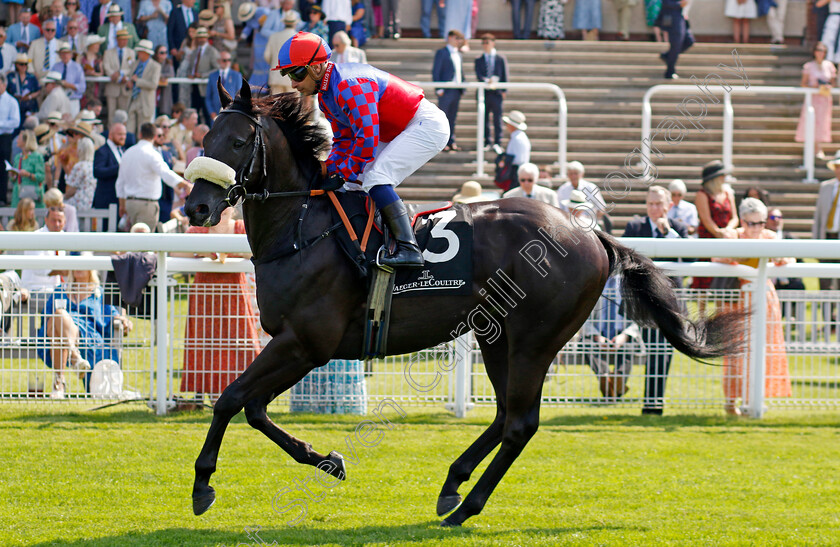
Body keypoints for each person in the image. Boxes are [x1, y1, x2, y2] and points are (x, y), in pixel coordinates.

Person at [277, 31, 449, 268]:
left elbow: (367, 140)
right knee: (351, 182)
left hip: (425, 125)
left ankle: (409, 249)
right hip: (395, 130)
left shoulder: (348, 85)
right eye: (288, 74)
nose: (293, 83)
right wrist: (329, 169)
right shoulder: (326, 95)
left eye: (296, 73)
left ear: (316, 68)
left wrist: (343, 171)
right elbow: (344, 139)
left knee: (376, 177)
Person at [713, 197, 792, 415]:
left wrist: (780, 257)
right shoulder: (732, 235)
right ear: (742, 221)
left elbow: (788, 257)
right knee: (736, 352)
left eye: (760, 223)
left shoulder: (770, 236)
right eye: (751, 223)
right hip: (736, 301)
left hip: (764, 299)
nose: (756, 228)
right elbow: (718, 256)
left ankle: (754, 400)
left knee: (763, 349)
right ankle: (731, 401)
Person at [178, 206, 260, 401]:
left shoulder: (242, 227)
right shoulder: (197, 230)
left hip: (235, 293)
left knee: (240, 340)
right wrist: (205, 251)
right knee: (205, 340)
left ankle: (246, 389)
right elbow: (179, 252)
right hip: (204, 295)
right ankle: (207, 391)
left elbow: (255, 251)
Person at [623, 186, 688, 414]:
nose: (654, 208)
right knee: (651, 351)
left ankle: (654, 404)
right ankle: (648, 403)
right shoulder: (635, 227)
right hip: (644, 301)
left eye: (659, 204)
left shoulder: (678, 228)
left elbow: (689, 256)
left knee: (664, 353)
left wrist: (668, 232)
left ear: (669, 206)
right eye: (650, 203)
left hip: (669, 304)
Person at [37, 263, 132, 398]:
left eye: (83, 265)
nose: (78, 268)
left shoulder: (98, 293)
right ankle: (74, 356)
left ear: (91, 270)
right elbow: (46, 318)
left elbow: (112, 314)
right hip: (58, 335)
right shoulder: (60, 290)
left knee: (58, 315)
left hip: (88, 338)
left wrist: (123, 320)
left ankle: (59, 384)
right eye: (76, 265)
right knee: (58, 316)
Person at [116, 121, 190, 229]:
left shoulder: (128, 153)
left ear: (140, 134)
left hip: (130, 203)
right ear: (155, 136)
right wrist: (185, 185)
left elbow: (120, 182)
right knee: (145, 243)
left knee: (131, 242)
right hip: (147, 204)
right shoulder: (152, 154)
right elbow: (165, 173)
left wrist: (122, 204)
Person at [582, 275, 640, 398]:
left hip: (624, 333)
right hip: (597, 333)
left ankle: (617, 379)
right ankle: (607, 377)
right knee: (586, 344)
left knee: (629, 346)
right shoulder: (594, 282)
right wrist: (597, 336)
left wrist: (624, 336)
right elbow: (583, 316)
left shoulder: (629, 284)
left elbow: (638, 318)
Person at [692, 160, 738, 291]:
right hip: (708, 240)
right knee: (704, 281)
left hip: (727, 239)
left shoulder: (728, 193)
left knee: (723, 280)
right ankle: (701, 311)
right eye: (722, 175)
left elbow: (735, 218)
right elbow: (706, 220)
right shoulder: (702, 195)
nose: (724, 178)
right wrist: (719, 233)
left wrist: (728, 231)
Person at [795, 42, 834, 160]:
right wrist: (815, 86)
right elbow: (803, 84)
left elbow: (833, 83)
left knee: (822, 123)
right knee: (810, 120)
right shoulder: (809, 66)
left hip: (824, 98)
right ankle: (809, 148)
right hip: (813, 98)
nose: (820, 52)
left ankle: (819, 148)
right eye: (818, 50)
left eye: (822, 50)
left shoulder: (829, 66)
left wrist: (827, 86)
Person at [432, 30, 464, 153]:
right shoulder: (442, 53)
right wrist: (439, 89)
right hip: (445, 90)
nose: (458, 41)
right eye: (457, 38)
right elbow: (436, 70)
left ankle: (451, 141)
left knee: (453, 117)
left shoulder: (458, 53)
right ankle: (442, 143)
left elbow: (459, 71)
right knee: (443, 118)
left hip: (456, 90)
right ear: (450, 38)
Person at [812, 150, 840, 292]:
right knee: (824, 282)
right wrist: (815, 242)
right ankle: (827, 313)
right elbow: (818, 217)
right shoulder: (826, 187)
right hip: (827, 237)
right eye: (837, 166)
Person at [475, 33, 507, 150]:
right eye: (483, 43)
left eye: (487, 42)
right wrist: (487, 80)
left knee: (497, 118)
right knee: (484, 118)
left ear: (493, 43)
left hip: (497, 92)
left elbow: (504, 74)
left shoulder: (500, 58)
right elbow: (479, 74)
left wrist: (504, 90)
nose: (485, 45)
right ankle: (487, 141)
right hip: (485, 92)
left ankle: (498, 142)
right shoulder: (479, 59)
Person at [126, 40, 161, 134]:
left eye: (140, 51)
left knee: (143, 129)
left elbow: (154, 84)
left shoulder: (155, 66)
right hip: (133, 99)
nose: (139, 53)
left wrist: (138, 81)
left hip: (145, 102)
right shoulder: (135, 64)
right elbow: (131, 77)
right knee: (129, 127)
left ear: (146, 53)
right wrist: (130, 83)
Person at [183, 27, 217, 124]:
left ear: (206, 38)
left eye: (203, 37)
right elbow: (191, 67)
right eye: (199, 37)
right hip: (194, 87)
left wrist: (202, 75)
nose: (201, 39)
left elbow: (216, 69)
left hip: (205, 87)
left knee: (207, 113)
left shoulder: (212, 51)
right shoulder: (194, 52)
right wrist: (191, 74)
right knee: (195, 112)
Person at [92, 121, 125, 216]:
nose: (123, 137)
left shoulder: (122, 150)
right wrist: (119, 168)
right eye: (119, 134)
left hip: (119, 200)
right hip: (106, 200)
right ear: (111, 135)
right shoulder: (102, 151)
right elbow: (97, 171)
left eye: (124, 134)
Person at [102, 28, 135, 125]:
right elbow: (106, 67)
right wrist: (115, 75)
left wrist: (120, 74)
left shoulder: (131, 53)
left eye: (126, 39)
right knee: (111, 114)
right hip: (112, 88)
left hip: (124, 88)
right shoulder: (108, 53)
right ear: (117, 40)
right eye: (122, 39)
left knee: (124, 115)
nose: (125, 41)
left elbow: (132, 68)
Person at [9, 129, 45, 207]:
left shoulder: (37, 156)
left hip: (33, 194)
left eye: (19, 138)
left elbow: (41, 176)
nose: (17, 140)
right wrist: (12, 174)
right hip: (18, 193)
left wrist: (28, 174)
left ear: (26, 141)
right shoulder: (18, 157)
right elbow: (13, 180)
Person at [264, 11, 298, 95]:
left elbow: (266, 56)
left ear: (284, 23)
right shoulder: (299, 37)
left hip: (276, 76)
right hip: (293, 78)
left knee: (276, 106)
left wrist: (274, 64)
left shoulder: (274, 36)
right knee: (292, 106)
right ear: (295, 23)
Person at [658, 0, 693, 79]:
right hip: (673, 20)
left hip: (682, 18)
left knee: (689, 41)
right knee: (675, 45)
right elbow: (666, 3)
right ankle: (670, 71)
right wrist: (680, 4)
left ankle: (668, 56)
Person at [238, 2, 270, 89]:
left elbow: (269, 24)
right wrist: (242, 36)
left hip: (266, 37)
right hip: (258, 38)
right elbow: (248, 27)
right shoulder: (250, 17)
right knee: (257, 60)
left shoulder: (264, 12)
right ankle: (258, 85)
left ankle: (266, 83)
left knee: (265, 59)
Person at [0, 74, 20, 206]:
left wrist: (0, 123)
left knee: (2, 167)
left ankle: (1, 197)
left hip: (4, 137)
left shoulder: (11, 101)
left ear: (4, 84)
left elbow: (16, 122)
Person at [204, 51, 241, 122]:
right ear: (218, 61)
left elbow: (239, 96)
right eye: (224, 60)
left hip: (231, 114)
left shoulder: (236, 76)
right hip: (215, 115)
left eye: (229, 60)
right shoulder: (212, 76)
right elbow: (208, 97)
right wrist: (212, 112)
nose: (227, 62)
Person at [52, 42, 85, 116]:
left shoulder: (77, 67)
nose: (65, 56)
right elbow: (50, 81)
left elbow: (82, 87)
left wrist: (68, 85)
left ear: (71, 55)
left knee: (72, 122)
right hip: (58, 101)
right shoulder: (55, 67)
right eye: (63, 53)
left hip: (72, 100)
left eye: (67, 53)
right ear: (60, 55)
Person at [64, 135, 95, 211]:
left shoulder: (79, 166)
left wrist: (62, 197)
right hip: (91, 202)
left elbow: (72, 190)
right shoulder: (94, 166)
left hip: (79, 203)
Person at [7, 53, 39, 121]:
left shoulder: (31, 77)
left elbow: (38, 91)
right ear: (16, 64)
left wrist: (29, 97)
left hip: (28, 108)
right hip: (14, 106)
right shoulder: (10, 76)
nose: (24, 66)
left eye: (26, 64)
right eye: (21, 64)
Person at [167, 0, 196, 71]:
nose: (194, 1)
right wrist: (172, 47)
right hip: (178, 47)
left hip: (193, 49)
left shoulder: (195, 13)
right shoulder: (175, 12)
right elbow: (170, 31)